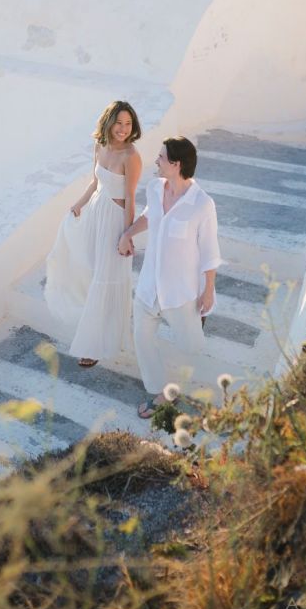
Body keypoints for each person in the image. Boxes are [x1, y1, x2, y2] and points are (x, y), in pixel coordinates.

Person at [118, 135, 221, 418]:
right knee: (141, 338)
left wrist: (208, 290)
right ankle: (160, 392)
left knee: (192, 347)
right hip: (149, 286)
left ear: (176, 164)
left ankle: (198, 324)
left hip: (181, 293)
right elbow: (151, 216)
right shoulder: (155, 188)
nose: (156, 161)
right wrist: (128, 233)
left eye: (161, 157)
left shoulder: (202, 204)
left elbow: (210, 250)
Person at [45, 100, 142, 368]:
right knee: (91, 271)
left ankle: (95, 345)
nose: (123, 129)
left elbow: (131, 199)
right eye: (119, 123)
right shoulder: (100, 146)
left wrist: (127, 234)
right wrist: (79, 204)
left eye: (128, 124)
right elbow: (95, 181)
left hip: (115, 220)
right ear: (109, 123)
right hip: (95, 215)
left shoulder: (131, 157)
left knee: (106, 278)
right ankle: (98, 331)